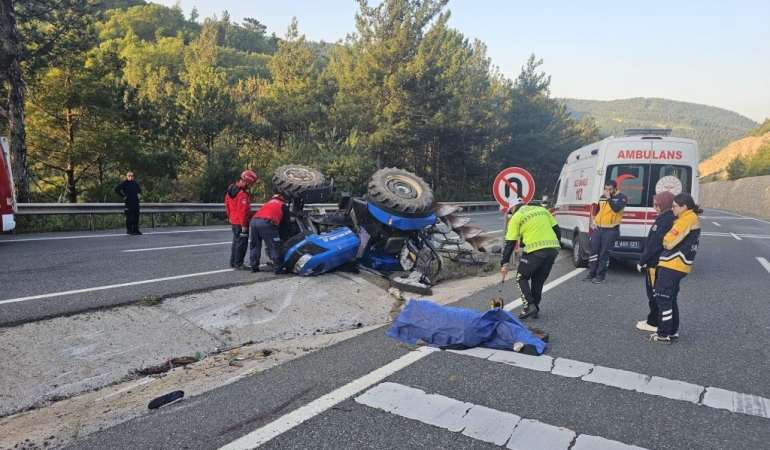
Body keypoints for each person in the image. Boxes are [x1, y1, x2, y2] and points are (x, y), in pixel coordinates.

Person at [646, 192, 702, 344]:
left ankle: (663, 334)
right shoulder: (690, 218)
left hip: (672, 264)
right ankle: (672, 331)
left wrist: (666, 237)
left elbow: (668, 241)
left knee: (663, 299)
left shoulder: (686, 219)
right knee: (671, 299)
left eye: (675, 207)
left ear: (684, 207)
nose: (672, 210)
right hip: (680, 265)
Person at [500, 198, 562, 319]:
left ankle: (529, 305)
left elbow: (510, 243)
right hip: (552, 250)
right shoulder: (542, 210)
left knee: (521, 277)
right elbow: (557, 230)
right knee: (538, 280)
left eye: (511, 211)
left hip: (535, 250)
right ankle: (535, 309)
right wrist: (556, 245)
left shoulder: (516, 216)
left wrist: (504, 263)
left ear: (513, 208)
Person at [635, 191, 676, 333]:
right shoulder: (665, 217)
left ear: (665, 204)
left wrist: (642, 260)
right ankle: (653, 319)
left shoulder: (665, 220)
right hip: (659, 262)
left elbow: (654, 244)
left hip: (655, 263)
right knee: (656, 294)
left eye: (657, 204)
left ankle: (654, 322)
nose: (655, 207)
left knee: (654, 294)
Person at [583, 179, 628, 284]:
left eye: (610, 189)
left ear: (615, 188)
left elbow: (616, 208)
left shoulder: (622, 198)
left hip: (611, 229)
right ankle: (592, 273)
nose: (607, 191)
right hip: (599, 228)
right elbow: (599, 210)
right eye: (606, 189)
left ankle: (600, 276)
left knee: (604, 254)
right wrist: (595, 221)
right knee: (594, 252)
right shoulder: (602, 197)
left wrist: (609, 198)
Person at [249, 193, 292, 274]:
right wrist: (285, 236)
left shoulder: (267, 204)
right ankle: (278, 268)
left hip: (254, 221)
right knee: (274, 247)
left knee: (255, 246)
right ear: (281, 199)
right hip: (267, 222)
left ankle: (254, 267)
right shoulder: (282, 205)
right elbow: (286, 223)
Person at [225, 170, 258, 269]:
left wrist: (230, 216)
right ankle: (239, 263)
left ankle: (233, 262)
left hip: (234, 220)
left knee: (235, 242)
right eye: (251, 184)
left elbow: (227, 204)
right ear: (247, 182)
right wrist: (244, 225)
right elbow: (242, 210)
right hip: (240, 223)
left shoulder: (231, 189)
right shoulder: (242, 194)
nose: (251, 186)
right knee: (242, 244)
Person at [114, 171, 143, 235]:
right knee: (129, 218)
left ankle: (136, 230)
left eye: (132, 176)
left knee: (136, 217)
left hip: (136, 203)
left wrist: (139, 194)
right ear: (126, 176)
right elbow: (116, 189)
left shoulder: (135, 183)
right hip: (129, 203)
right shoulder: (124, 183)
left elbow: (139, 190)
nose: (130, 177)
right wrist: (123, 196)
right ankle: (129, 230)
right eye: (129, 176)